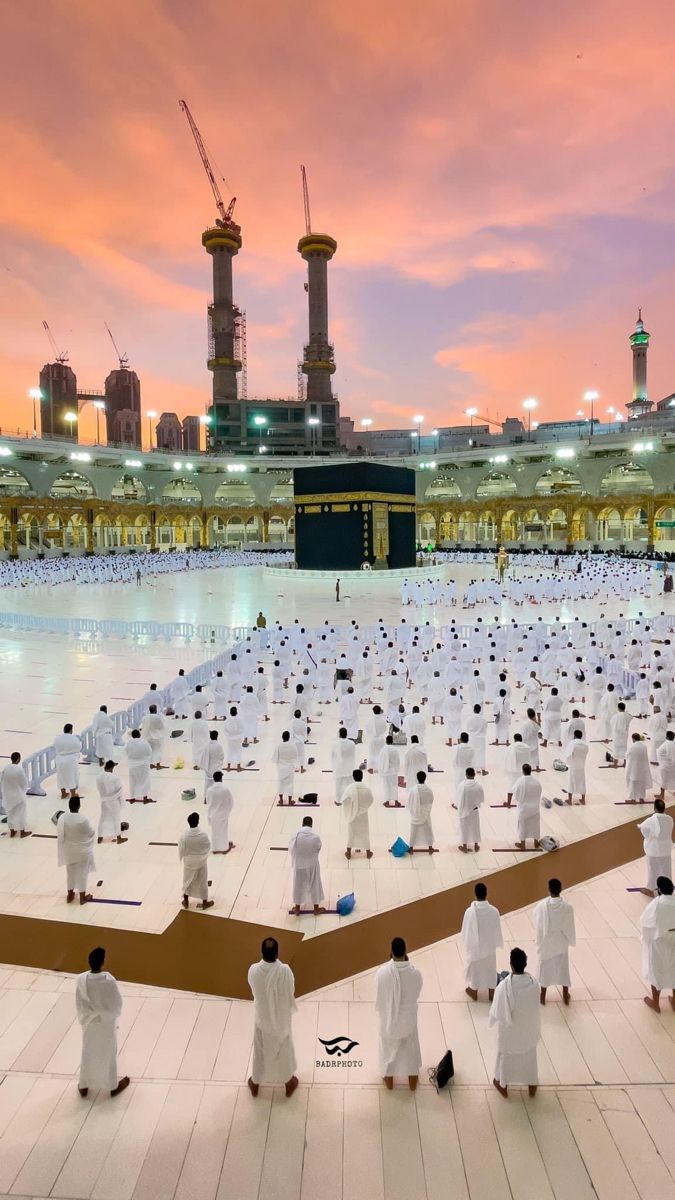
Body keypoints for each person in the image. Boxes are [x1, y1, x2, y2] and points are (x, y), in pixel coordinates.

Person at [247, 937, 298, 1098]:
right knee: (283, 1049)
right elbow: (291, 991)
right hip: (281, 1019)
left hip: (262, 1018)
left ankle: (255, 1082)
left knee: (260, 1050)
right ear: (277, 953)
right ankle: (288, 1082)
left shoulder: (253, 970)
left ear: (262, 952)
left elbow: (254, 990)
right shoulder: (284, 971)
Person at [76, 947, 129, 1098]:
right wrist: (112, 1015)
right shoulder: (108, 980)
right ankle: (113, 1086)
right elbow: (116, 1001)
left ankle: (84, 1084)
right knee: (109, 1053)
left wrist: (84, 1018)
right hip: (106, 1023)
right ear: (103, 962)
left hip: (89, 1022)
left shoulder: (81, 980)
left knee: (87, 1051)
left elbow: (79, 1001)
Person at [489, 946, 541, 1098]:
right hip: (528, 1032)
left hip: (511, 1036)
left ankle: (503, 1085)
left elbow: (497, 1011)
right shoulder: (534, 984)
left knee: (506, 1056)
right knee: (530, 1057)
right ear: (525, 964)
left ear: (511, 965)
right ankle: (532, 1085)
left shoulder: (504, 987)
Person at [375, 937, 423, 1091]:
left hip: (389, 1023)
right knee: (410, 1050)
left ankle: (389, 1080)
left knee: (388, 1048)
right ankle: (412, 1081)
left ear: (391, 952)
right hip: (408, 1022)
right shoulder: (416, 974)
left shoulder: (382, 974)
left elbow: (380, 996)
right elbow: (416, 994)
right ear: (405, 951)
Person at [533, 878, 576, 1005]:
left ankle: (542, 996)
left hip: (547, 944)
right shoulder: (567, 908)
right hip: (561, 943)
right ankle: (565, 994)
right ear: (561, 889)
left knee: (545, 969)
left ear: (548, 889)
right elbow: (570, 927)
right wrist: (570, 940)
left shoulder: (541, 907)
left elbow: (537, 922)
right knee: (563, 968)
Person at [461, 882, 503, 1001]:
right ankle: (491, 992)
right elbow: (497, 930)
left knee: (476, 969)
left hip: (476, 949)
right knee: (490, 967)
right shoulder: (494, 911)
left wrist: (469, 946)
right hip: (489, 947)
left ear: (475, 895)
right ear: (486, 894)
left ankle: (474, 990)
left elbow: (466, 932)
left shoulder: (470, 912)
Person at [640, 875, 675, 1012]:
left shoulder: (657, 903)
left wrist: (647, 937)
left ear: (659, 889)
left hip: (660, 940)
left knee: (656, 968)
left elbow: (645, 921)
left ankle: (656, 1003)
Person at [57, 797, 96, 905]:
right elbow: (90, 832)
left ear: (69, 806)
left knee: (70, 873)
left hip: (69, 851)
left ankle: (70, 895)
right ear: (79, 806)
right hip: (82, 851)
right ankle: (82, 897)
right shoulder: (83, 819)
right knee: (83, 873)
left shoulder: (63, 818)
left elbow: (60, 832)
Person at [289, 815, 325, 915]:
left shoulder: (296, 835)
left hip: (299, 864)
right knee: (314, 884)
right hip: (312, 864)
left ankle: (297, 908)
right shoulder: (315, 837)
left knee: (298, 885)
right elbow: (318, 847)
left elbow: (291, 849)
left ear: (302, 824)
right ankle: (316, 908)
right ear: (311, 825)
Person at [178, 812, 214, 910]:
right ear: (198, 822)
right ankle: (205, 902)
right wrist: (202, 856)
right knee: (202, 881)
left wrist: (184, 857)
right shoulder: (203, 835)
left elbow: (181, 849)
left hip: (189, 862)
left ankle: (186, 902)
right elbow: (207, 846)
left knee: (187, 881)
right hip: (201, 861)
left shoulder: (184, 836)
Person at [638, 798, 674, 894]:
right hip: (666, 849)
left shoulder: (651, 820)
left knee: (653, 870)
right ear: (664, 808)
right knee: (666, 870)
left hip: (654, 849)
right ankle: (666, 890)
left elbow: (644, 829)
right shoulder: (670, 819)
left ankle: (650, 889)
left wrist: (649, 836)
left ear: (654, 808)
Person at [342, 768, 374, 859]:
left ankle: (348, 852)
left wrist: (352, 807)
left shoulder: (350, 788)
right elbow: (371, 800)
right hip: (363, 815)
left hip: (353, 814)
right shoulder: (367, 789)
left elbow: (344, 800)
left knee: (351, 833)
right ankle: (368, 852)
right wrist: (364, 808)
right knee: (364, 833)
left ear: (353, 777)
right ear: (362, 777)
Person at [96, 761, 127, 845]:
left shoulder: (98, 777)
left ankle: (99, 837)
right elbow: (119, 790)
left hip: (103, 800)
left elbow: (99, 789)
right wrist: (121, 802)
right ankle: (119, 838)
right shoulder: (114, 777)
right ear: (112, 768)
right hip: (113, 800)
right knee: (116, 818)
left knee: (102, 818)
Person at [1, 751, 31, 837]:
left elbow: (2, 780)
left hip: (8, 795)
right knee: (21, 813)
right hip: (18, 795)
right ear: (18, 759)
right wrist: (23, 792)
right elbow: (24, 783)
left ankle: (12, 831)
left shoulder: (6, 768)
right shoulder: (19, 769)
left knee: (10, 814)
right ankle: (22, 832)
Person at [513, 763, 542, 850]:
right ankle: (536, 842)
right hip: (535, 808)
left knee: (523, 825)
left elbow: (516, 792)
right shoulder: (537, 782)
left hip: (524, 808)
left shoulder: (520, 781)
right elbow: (539, 792)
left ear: (522, 771)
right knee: (535, 825)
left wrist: (520, 800)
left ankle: (523, 844)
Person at [407, 769, 435, 853]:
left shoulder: (413, 790)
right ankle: (430, 847)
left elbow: (410, 801)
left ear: (417, 778)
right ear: (425, 778)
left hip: (416, 812)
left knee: (414, 830)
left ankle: (411, 847)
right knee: (428, 829)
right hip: (426, 812)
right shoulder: (429, 790)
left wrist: (413, 810)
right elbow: (431, 800)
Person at [456, 766, 483, 853]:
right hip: (474, 810)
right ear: (474, 774)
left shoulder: (461, 785)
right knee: (475, 827)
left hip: (464, 809)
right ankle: (476, 845)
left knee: (464, 828)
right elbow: (481, 798)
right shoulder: (478, 785)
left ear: (466, 775)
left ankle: (464, 846)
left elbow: (458, 798)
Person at [206, 770, 234, 854]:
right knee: (223, 832)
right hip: (223, 814)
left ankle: (215, 848)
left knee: (214, 832)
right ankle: (224, 848)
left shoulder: (209, 790)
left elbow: (208, 801)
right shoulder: (225, 789)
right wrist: (227, 811)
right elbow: (231, 802)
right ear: (221, 779)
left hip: (213, 814)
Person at [54, 723, 82, 800]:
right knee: (72, 776)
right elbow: (78, 747)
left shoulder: (58, 738)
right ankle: (73, 793)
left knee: (61, 776)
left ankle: (63, 793)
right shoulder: (74, 739)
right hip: (71, 760)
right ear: (71, 730)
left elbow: (55, 746)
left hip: (59, 759)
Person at [126, 728, 153, 804]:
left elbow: (125, 752)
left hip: (132, 765)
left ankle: (132, 797)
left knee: (132, 781)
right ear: (139, 735)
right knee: (144, 780)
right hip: (143, 764)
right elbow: (149, 752)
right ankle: (145, 797)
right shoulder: (144, 742)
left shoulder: (129, 742)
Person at [272, 730, 299, 804]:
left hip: (281, 768)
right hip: (290, 768)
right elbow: (296, 756)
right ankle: (290, 801)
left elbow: (274, 758)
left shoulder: (278, 746)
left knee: (280, 784)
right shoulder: (292, 746)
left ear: (282, 737)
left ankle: (281, 800)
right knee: (290, 784)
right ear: (289, 737)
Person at [626, 732, 653, 804]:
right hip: (643, 768)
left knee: (633, 784)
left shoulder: (632, 747)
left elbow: (628, 755)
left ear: (633, 739)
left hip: (634, 769)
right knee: (641, 784)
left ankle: (633, 799)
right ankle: (641, 798)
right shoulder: (644, 746)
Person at [332, 727, 356, 805]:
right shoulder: (352, 743)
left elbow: (333, 756)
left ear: (339, 734)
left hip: (339, 768)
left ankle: (338, 800)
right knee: (349, 784)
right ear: (346, 734)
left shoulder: (335, 744)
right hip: (349, 767)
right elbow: (353, 755)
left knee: (338, 785)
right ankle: (350, 798)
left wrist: (333, 766)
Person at [563, 728, 588, 805]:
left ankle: (570, 800)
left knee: (571, 782)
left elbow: (568, 754)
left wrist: (568, 762)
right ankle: (583, 800)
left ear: (574, 736)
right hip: (581, 766)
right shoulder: (585, 745)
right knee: (582, 782)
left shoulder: (572, 743)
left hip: (574, 765)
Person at [140, 704, 167, 770]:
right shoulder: (157, 717)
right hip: (156, 737)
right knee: (158, 751)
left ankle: (151, 764)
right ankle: (158, 765)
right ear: (155, 710)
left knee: (150, 751)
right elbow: (161, 727)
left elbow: (142, 727)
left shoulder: (145, 717)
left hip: (147, 737)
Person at [378, 735, 401, 807]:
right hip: (393, 771)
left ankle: (387, 802)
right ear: (392, 741)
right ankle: (396, 801)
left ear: (386, 741)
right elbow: (397, 760)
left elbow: (381, 761)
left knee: (386, 786)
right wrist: (397, 769)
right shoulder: (395, 749)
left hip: (385, 771)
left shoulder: (383, 749)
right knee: (394, 786)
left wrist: (381, 770)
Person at [656, 730, 675, 800]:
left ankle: (662, 795)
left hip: (666, 765)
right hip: (670, 765)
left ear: (666, 737)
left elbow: (671, 756)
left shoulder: (668, 744)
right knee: (673, 778)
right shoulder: (672, 743)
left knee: (663, 780)